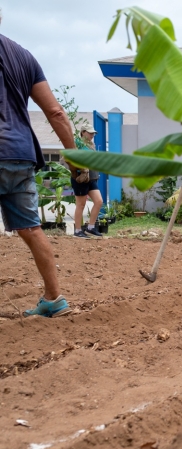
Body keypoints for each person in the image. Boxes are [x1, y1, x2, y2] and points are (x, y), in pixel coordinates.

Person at [0, 25, 76, 317]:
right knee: (31, 229)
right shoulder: (25, 56)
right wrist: (73, 156)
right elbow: (55, 112)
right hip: (21, 156)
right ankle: (54, 298)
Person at [72, 122, 104, 238]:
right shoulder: (77, 142)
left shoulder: (91, 144)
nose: (92, 135)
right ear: (83, 132)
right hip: (81, 178)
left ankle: (90, 227)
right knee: (81, 204)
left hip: (92, 178)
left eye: (93, 133)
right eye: (90, 132)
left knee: (99, 201)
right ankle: (77, 230)